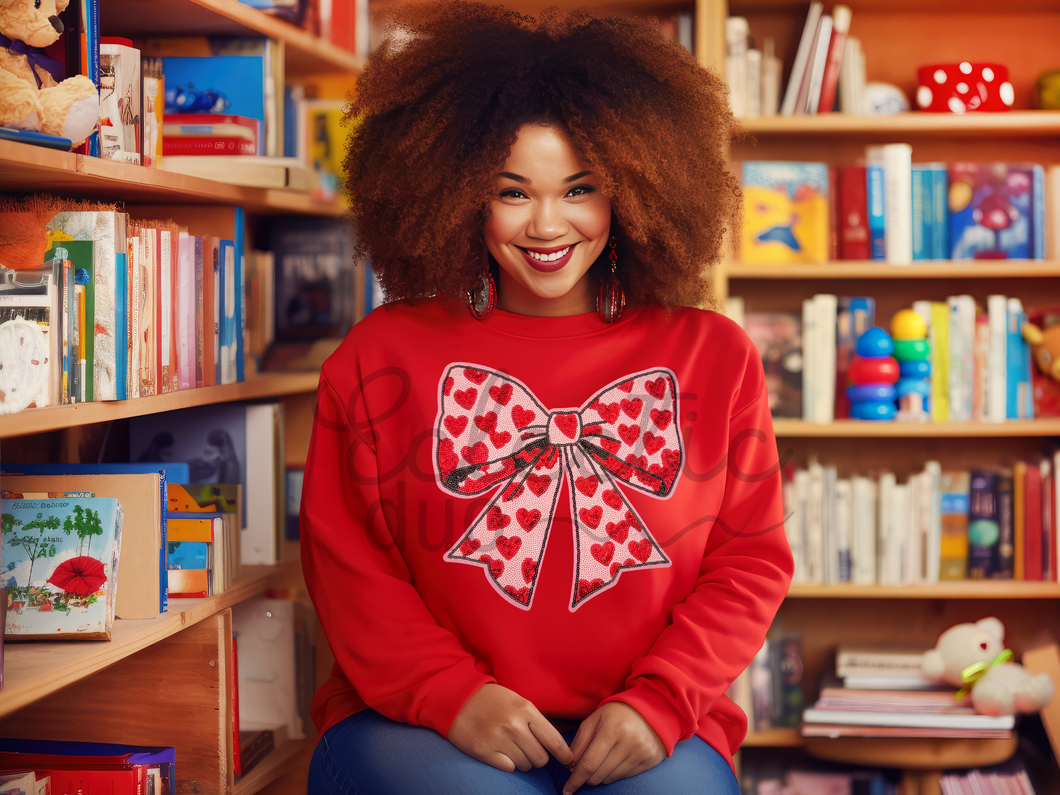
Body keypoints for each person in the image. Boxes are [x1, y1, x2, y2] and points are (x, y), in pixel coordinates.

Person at [300, 4, 794, 793]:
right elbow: (346, 562)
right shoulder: (378, 356)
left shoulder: (715, 355)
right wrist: (454, 696)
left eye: (580, 188)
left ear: (635, 188)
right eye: (511, 191)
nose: (547, 224)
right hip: (418, 720)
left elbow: (748, 563)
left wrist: (659, 704)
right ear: (458, 191)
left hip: (646, 723)